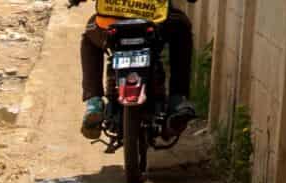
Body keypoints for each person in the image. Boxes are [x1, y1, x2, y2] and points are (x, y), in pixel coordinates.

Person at [71, 0, 198, 139]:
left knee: (90, 37)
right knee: (182, 27)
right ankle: (177, 98)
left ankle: (94, 102)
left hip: (111, 24)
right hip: (154, 23)